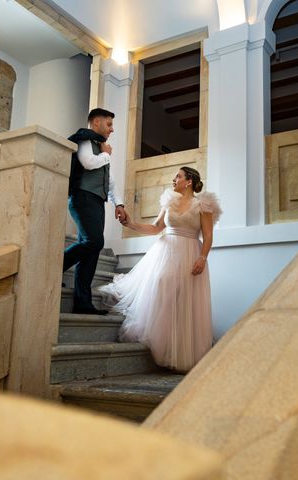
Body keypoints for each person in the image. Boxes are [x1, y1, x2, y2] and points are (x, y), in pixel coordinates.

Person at [100, 166, 221, 372]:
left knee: (186, 300)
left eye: (178, 176)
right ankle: (164, 347)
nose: (174, 179)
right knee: (163, 286)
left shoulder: (203, 204)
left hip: (191, 252)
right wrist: (130, 224)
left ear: (189, 181)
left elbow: (208, 236)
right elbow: (156, 227)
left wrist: (202, 257)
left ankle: (182, 354)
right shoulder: (169, 200)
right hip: (166, 251)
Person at [63, 108, 127, 315]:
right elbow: (88, 163)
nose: (112, 129)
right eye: (109, 124)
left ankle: (83, 303)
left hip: (97, 202)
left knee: (91, 252)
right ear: (96, 122)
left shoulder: (100, 147)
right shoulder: (84, 140)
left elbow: (109, 181)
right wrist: (106, 155)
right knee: (94, 242)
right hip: (82, 198)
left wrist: (119, 204)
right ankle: (53, 268)